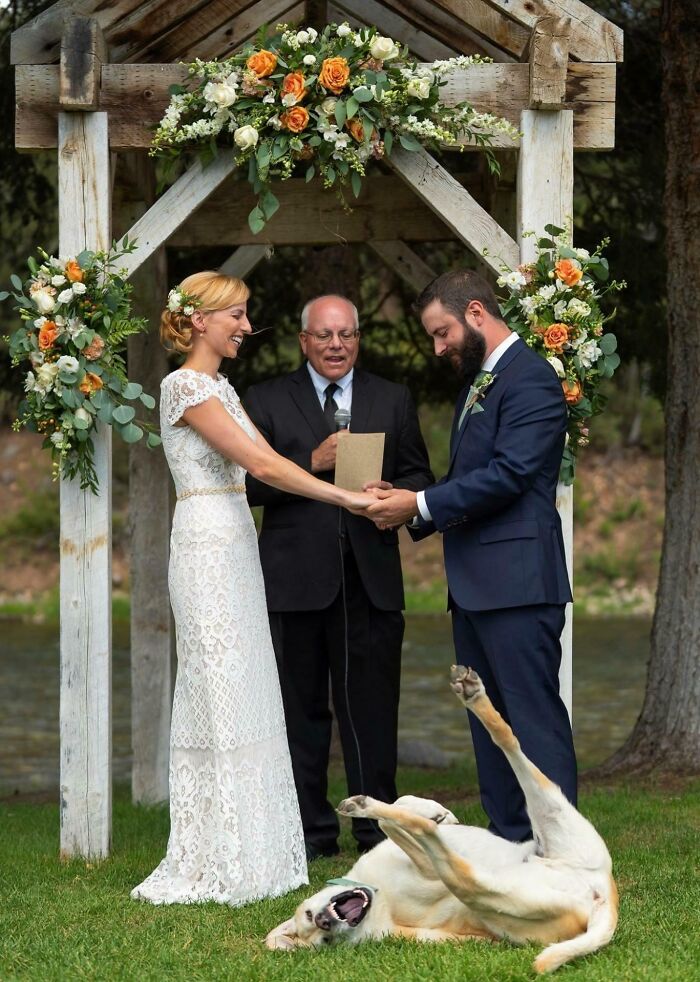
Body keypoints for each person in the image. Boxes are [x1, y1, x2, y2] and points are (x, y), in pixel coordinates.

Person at [130, 273, 375, 906]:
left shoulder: (221, 386)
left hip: (239, 539)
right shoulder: (183, 385)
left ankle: (258, 846)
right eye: (236, 315)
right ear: (202, 321)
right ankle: (218, 850)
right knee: (218, 684)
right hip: (206, 541)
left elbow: (272, 458)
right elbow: (264, 467)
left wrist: (342, 473)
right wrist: (347, 495)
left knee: (248, 683)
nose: (245, 326)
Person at [365, 270, 576, 843]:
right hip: (477, 586)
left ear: (476, 313)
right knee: (489, 724)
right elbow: (469, 479)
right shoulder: (479, 383)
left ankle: (561, 852)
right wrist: (408, 503)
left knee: (532, 721)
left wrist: (421, 502)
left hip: (519, 584)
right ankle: (511, 843)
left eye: (442, 332)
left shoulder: (530, 378)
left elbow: (509, 476)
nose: (438, 348)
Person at [243, 295, 433, 860]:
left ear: (358, 339)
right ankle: (309, 834)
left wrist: (393, 494)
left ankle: (378, 834)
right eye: (324, 335)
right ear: (303, 340)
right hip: (294, 584)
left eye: (346, 335)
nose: (335, 345)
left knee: (372, 711)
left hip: (370, 581)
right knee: (300, 715)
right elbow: (247, 487)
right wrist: (311, 463)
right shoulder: (266, 400)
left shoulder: (392, 398)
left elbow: (419, 473)